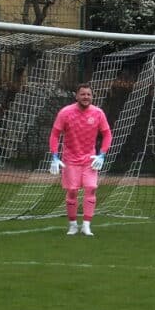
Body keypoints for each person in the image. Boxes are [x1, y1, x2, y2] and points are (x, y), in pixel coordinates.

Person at [48, 83, 112, 237]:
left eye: (88, 94)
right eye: (82, 94)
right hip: (70, 160)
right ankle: (72, 225)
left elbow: (107, 134)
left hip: (90, 159)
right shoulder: (65, 113)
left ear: (92, 96)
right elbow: (55, 134)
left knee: (91, 188)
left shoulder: (98, 113)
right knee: (72, 192)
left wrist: (102, 154)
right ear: (76, 96)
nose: (86, 97)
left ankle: (86, 226)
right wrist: (54, 157)